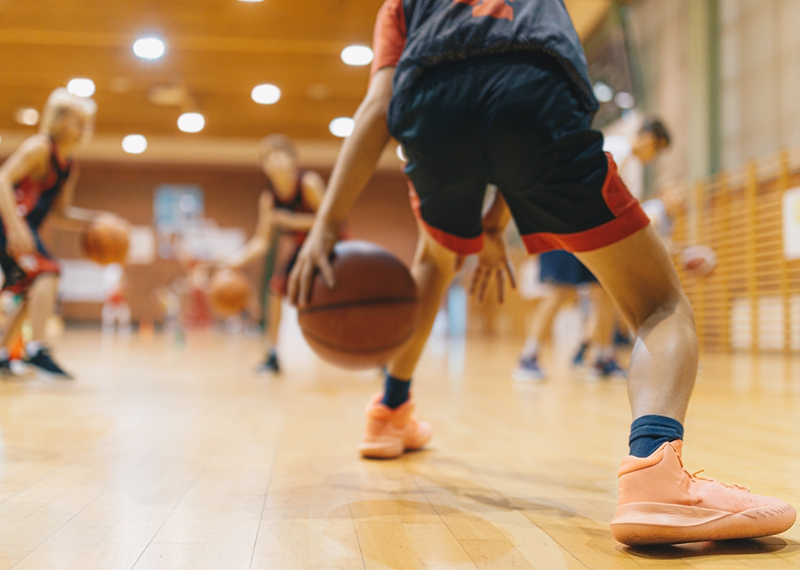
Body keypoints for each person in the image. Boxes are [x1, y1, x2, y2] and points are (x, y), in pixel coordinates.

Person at [288, 0, 795, 545]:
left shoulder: (401, 5)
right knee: (658, 305)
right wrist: (494, 220)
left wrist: (328, 222)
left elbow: (377, 108)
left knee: (434, 262)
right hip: (533, 98)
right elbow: (513, 102)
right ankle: (654, 470)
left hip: (431, 111)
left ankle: (388, 410)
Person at [514, 118, 673, 381]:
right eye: (657, 150)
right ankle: (528, 357)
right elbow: (599, 194)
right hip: (568, 224)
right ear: (648, 139)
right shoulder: (615, 148)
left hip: (594, 233)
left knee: (606, 292)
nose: (654, 158)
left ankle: (601, 357)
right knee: (559, 291)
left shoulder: (632, 166)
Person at [0, 88, 127, 378]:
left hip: (20, 227)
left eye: (87, 123)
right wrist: (16, 225)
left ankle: (3, 353)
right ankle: (37, 349)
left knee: (35, 287)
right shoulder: (39, 147)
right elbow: (2, 179)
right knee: (49, 271)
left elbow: (61, 214)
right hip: (6, 221)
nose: (84, 129)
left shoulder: (69, 166)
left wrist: (99, 219)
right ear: (57, 120)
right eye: (77, 121)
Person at [224, 135, 325, 374]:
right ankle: (273, 354)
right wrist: (233, 262)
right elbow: (261, 241)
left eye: (280, 156)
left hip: (330, 244)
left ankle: (381, 357)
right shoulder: (269, 199)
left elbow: (330, 222)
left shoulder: (308, 183)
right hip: (303, 248)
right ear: (264, 167)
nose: (275, 161)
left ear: (293, 161)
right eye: (269, 159)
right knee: (275, 290)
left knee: (347, 299)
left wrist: (292, 221)